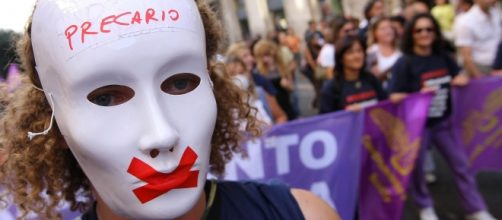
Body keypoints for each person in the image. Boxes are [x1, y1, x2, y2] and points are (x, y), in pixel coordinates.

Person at [0, 0, 339, 219]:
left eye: (179, 83)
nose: (161, 135)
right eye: (106, 97)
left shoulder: (303, 215)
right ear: (56, 126)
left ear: (213, 89)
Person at [389, 13, 495, 220]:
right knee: (418, 171)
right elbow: (393, 96)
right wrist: (418, 94)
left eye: (429, 29)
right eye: (419, 30)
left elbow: (458, 75)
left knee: (461, 166)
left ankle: (476, 209)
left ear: (435, 33)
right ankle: (425, 207)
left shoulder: (443, 57)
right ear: (411, 34)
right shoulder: (405, 63)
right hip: (418, 127)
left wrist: (461, 79)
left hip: (444, 123)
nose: (424, 34)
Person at [319, 36, 387, 113]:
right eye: (350, 52)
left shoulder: (371, 79)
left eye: (359, 51)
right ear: (341, 58)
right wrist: (346, 114)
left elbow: (385, 105)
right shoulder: (331, 87)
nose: (357, 56)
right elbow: (324, 120)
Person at [226, 42, 288, 124]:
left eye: (250, 55)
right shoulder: (226, 92)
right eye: (245, 56)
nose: (251, 59)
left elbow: (280, 116)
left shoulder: (260, 82)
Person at [454, 0, 502, 77]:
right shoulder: (465, 21)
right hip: (483, 68)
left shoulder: (496, 13)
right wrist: (480, 78)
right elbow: (466, 57)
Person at [253, 40, 297, 121]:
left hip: (286, 103)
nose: (267, 58)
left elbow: (292, 88)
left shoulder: (281, 66)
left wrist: (287, 85)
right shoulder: (258, 72)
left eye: (268, 55)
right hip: (272, 107)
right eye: (263, 56)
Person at [366, 17, 402, 86]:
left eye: (390, 27)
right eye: (383, 29)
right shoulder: (372, 51)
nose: (388, 31)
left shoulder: (400, 49)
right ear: (375, 32)